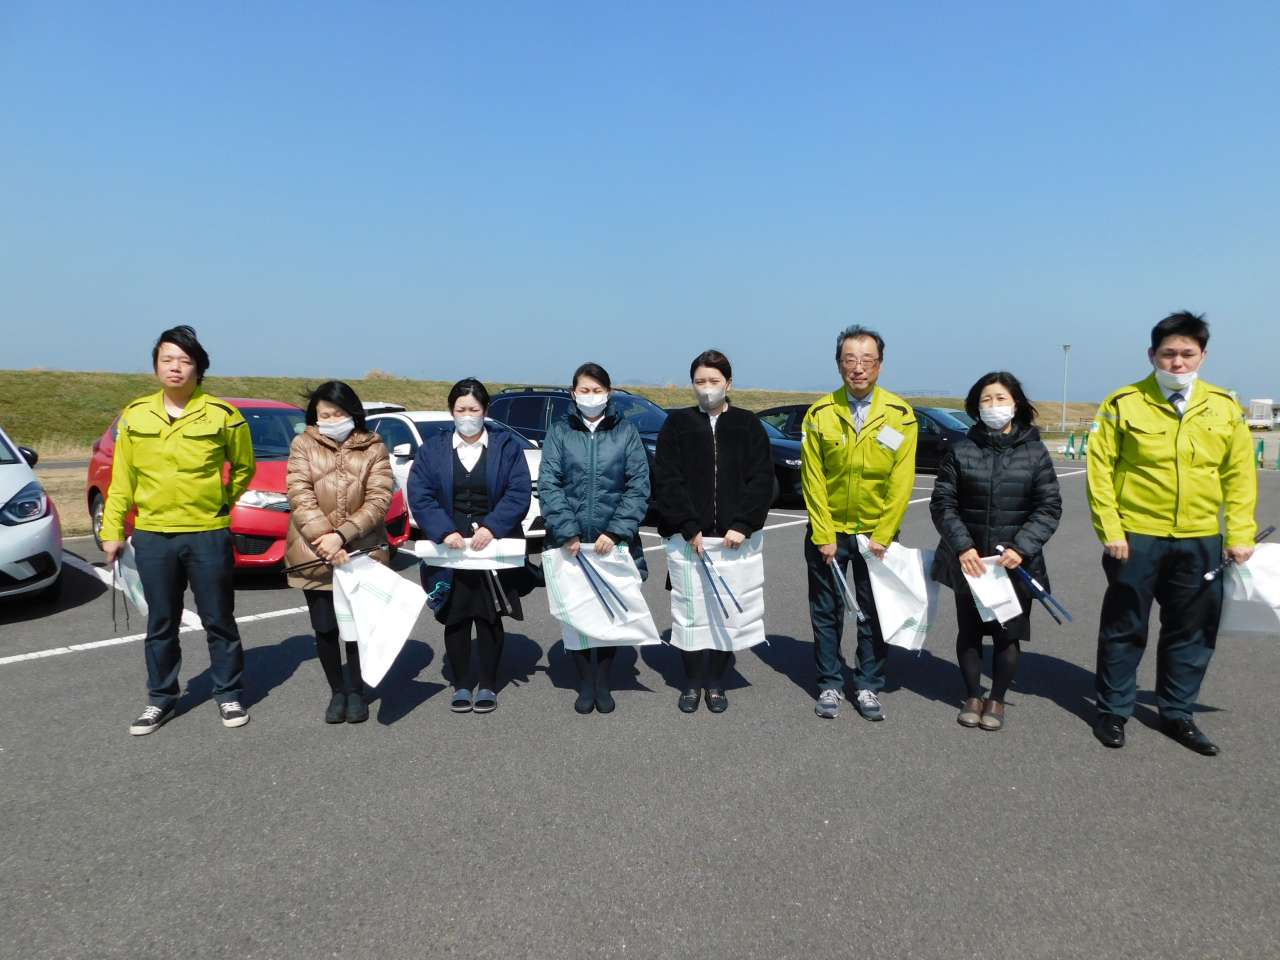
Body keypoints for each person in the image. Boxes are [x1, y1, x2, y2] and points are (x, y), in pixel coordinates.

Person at [1087, 312, 1257, 755]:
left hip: (1201, 538)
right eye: (1168, 353)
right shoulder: (1123, 402)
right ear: (1152, 355)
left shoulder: (1224, 407)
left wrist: (1240, 533)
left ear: (1202, 356)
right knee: (1125, 625)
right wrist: (1111, 529)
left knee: (1193, 629)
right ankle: (1113, 709)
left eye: (1187, 353)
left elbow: (1239, 474)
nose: (1177, 362)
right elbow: (1100, 470)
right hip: (1135, 536)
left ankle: (1177, 713)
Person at [101, 326, 256, 735]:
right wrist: (112, 529)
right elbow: (121, 480)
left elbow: (244, 468)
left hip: (207, 533)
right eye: (167, 358)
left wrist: (221, 499)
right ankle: (161, 699)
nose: (175, 367)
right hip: (153, 535)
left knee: (219, 619)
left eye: (185, 360)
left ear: (198, 368)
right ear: (156, 366)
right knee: (161, 623)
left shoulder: (224, 416)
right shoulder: (134, 416)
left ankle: (228, 693)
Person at [929, 373, 1062, 731]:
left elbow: (1048, 506)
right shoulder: (960, 449)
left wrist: (1023, 547)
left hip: (1015, 564)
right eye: (986, 400)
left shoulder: (1034, 451)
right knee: (969, 632)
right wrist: (963, 546)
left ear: (1015, 403)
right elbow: (943, 502)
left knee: (1007, 635)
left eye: (1000, 399)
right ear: (975, 407)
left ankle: (997, 698)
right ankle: (973, 695)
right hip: (970, 562)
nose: (993, 406)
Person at [801, 324, 918, 720]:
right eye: (849, 359)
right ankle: (830, 684)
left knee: (873, 611)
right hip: (828, 533)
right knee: (827, 611)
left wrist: (883, 535)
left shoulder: (901, 416)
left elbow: (902, 481)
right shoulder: (819, 413)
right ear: (838, 365)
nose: (858, 368)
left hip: (876, 536)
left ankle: (868, 685)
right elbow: (812, 479)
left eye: (867, 360)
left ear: (880, 366)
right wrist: (823, 534)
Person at [653, 349, 774, 713]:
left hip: (734, 540)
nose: (707, 388)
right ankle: (691, 683)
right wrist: (690, 527)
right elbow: (667, 479)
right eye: (700, 382)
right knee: (690, 610)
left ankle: (717, 684)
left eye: (714, 381)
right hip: (690, 540)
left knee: (726, 610)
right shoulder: (677, 424)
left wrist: (743, 524)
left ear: (729, 383)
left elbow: (761, 479)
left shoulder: (748, 424)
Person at [407, 379, 532, 715]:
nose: (467, 415)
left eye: (474, 409)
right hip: (451, 547)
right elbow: (419, 494)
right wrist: (443, 530)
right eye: (460, 409)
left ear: (486, 410)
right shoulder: (433, 449)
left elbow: (519, 492)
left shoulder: (507, 447)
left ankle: (489, 684)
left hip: (492, 543)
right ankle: (462, 683)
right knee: (456, 616)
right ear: (451, 411)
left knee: (490, 613)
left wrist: (493, 526)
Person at [539, 362, 652, 714]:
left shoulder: (626, 432)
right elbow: (548, 484)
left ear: (609, 393)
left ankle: (602, 680)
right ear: (573, 393)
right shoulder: (559, 432)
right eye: (584, 390)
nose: (591, 397)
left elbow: (638, 486)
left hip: (611, 543)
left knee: (608, 614)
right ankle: (584, 681)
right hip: (570, 545)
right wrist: (567, 532)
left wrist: (616, 531)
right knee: (575, 613)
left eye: (597, 390)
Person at [285, 381, 395, 725]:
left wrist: (343, 535)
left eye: (339, 412)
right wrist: (326, 539)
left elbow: (380, 498)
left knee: (358, 627)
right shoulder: (303, 444)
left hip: (361, 550)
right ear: (314, 418)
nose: (333, 419)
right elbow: (299, 493)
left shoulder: (374, 446)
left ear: (353, 412)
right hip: (314, 551)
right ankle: (337, 691)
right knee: (325, 628)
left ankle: (359, 692)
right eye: (324, 415)